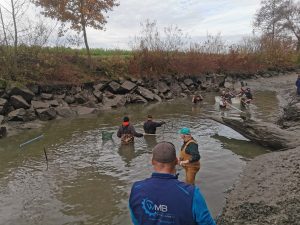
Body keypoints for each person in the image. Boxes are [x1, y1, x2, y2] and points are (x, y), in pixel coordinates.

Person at [129, 142, 216, 225]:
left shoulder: (136, 188)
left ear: (152, 161)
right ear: (176, 161)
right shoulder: (192, 193)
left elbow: (136, 220)